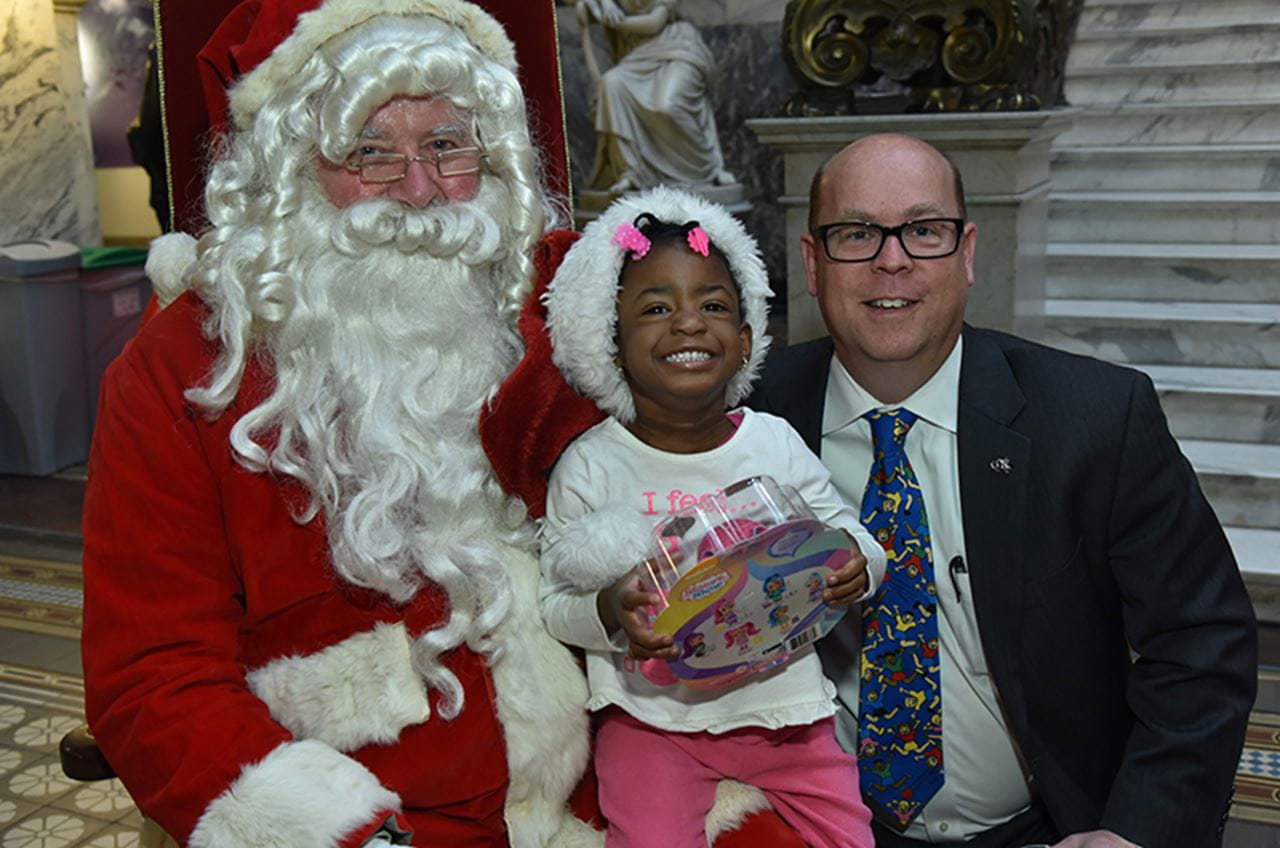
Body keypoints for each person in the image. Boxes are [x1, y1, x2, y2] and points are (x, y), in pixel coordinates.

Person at [79, 1, 602, 845]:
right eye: (368, 152)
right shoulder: (178, 373)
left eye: (446, 145)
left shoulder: (565, 310)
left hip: (602, 810)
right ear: (292, 169)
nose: (421, 192)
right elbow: (153, 681)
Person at [745, 133, 1258, 847]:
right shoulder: (744, 418)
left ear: (967, 252)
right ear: (812, 262)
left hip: (1046, 828)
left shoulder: (1095, 419)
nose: (891, 261)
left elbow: (1203, 641)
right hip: (814, 826)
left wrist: (1135, 832)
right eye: (857, 233)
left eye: (923, 231)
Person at [536, 186, 884, 848]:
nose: (690, 322)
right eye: (657, 307)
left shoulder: (774, 442)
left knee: (851, 836)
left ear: (748, 337)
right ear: (609, 343)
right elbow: (552, 604)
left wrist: (859, 565)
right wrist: (610, 608)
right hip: (651, 726)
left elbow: (854, 534)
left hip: (786, 715)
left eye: (714, 305)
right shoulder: (590, 465)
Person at [576, 0, 736, 192]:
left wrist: (613, 21)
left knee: (667, 105)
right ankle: (632, 171)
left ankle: (708, 168)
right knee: (612, 82)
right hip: (636, 52)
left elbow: (654, 23)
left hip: (677, 46)